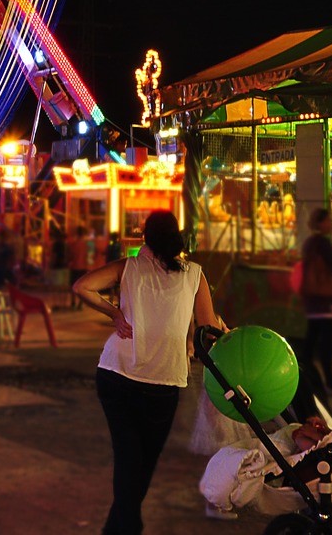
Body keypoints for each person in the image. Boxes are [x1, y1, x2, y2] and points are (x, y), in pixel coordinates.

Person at [73, 210, 227, 535]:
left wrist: (114, 313)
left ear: (145, 237)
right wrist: (221, 326)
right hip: (162, 382)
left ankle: (120, 528)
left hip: (115, 373)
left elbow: (83, 286)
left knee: (129, 458)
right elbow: (208, 329)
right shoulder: (194, 274)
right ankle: (129, 526)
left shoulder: (127, 267)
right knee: (142, 462)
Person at [298, 207, 332, 398]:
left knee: (311, 340)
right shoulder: (324, 244)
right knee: (325, 343)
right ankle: (330, 381)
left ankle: (304, 378)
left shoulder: (309, 243)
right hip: (326, 301)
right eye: (328, 221)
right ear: (320, 223)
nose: (331, 224)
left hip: (312, 300)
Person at [68, 225, 94, 308]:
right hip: (84, 267)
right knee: (82, 286)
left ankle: (73, 303)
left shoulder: (73, 244)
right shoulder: (89, 244)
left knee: (73, 285)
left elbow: (70, 256)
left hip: (74, 266)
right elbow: (91, 256)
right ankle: (80, 303)